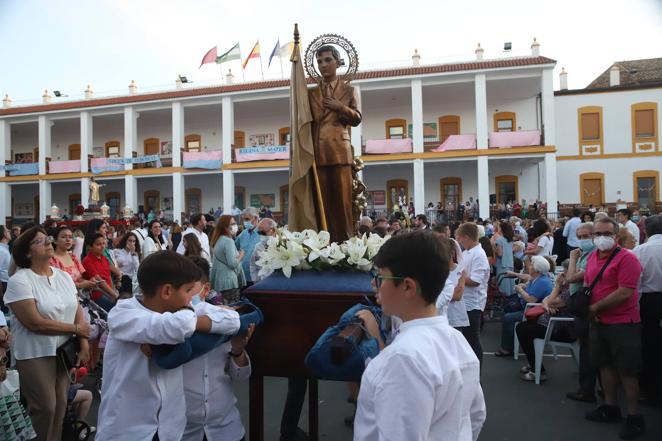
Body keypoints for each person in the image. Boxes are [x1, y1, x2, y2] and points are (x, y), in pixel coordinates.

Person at [353, 230, 486, 441]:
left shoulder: (402, 359)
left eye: (380, 278)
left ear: (407, 286)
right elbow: (475, 417)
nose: (374, 285)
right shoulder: (457, 341)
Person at [95, 251, 240, 441]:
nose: (192, 299)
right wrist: (192, 318)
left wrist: (191, 321)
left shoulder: (178, 311)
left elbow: (233, 320)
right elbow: (178, 326)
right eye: (188, 291)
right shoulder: (123, 314)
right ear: (166, 292)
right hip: (128, 431)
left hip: (169, 431)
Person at [4, 226, 91, 441]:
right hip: (35, 353)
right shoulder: (20, 280)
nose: (47, 243)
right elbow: (35, 323)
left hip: (62, 351)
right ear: (26, 252)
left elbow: (76, 309)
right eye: (39, 241)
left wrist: (84, 343)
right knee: (45, 407)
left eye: (47, 239)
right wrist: (76, 329)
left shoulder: (62, 276)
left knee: (61, 406)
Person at [584, 217, 645, 439]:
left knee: (627, 370)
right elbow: (588, 283)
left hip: (622, 322)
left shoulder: (627, 259)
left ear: (616, 236)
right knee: (605, 365)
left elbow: (625, 291)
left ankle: (634, 416)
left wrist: (596, 306)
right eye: (597, 233)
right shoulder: (592, 257)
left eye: (606, 234)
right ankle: (611, 407)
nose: (601, 238)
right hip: (599, 322)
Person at [181, 256, 254, 441]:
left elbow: (241, 376)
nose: (184, 295)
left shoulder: (227, 322)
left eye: (190, 289)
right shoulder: (166, 327)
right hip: (183, 431)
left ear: (206, 289)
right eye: (179, 288)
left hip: (226, 428)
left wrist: (238, 351)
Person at [304, 44, 362, 243]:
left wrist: (340, 107)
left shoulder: (349, 90)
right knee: (323, 202)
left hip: (340, 150)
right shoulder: (310, 93)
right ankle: (325, 242)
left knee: (343, 202)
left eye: (328, 60)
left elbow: (356, 118)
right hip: (318, 152)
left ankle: (346, 242)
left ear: (337, 62)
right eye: (319, 62)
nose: (323, 65)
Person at [515, 260, 576, 381]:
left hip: (559, 328)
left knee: (523, 330)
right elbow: (546, 300)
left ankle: (538, 371)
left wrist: (556, 288)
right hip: (548, 323)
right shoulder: (565, 287)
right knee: (522, 327)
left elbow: (550, 301)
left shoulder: (571, 290)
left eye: (565, 272)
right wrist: (547, 303)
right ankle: (533, 363)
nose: (562, 274)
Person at [564, 222, 600, 403]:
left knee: (588, 350)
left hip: (586, 305)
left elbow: (571, 278)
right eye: (580, 237)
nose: (582, 240)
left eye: (586, 236)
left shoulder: (590, 256)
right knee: (587, 347)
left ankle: (587, 390)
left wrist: (572, 259)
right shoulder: (585, 254)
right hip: (579, 304)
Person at [495, 256, 553, 357]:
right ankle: (512, 340)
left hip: (532, 311)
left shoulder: (542, 282)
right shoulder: (538, 278)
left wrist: (519, 289)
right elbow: (527, 281)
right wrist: (522, 286)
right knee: (506, 308)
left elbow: (531, 299)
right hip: (526, 306)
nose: (529, 266)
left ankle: (507, 348)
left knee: (508, 317)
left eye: (531, 265)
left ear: (537, 269)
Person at [633, 215, 662, 407]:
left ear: (646, 231)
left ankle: (651, 390)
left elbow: (636, 284)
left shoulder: (640, 251)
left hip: (650, 302)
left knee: (650, 346)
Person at [455, 222, 490, 367]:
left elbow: (476, 281)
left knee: (472, 340)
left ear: (467, 237)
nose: (459, 241)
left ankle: (477, 375)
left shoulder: (479, 255)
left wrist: (458, 278)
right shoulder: (467, 252)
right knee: (465, 340)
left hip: (473, 303)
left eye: (460, 238)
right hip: (465, 301)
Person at [49, 226, 98, 292]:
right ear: (55, 241)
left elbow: (79, 279)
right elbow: (55, 284)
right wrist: (79, 285)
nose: (68, 239)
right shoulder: (51, 260)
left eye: (70, 237)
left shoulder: (73, 257)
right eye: (63, 237)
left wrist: (89, 282)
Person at [210, 215, 246, 305]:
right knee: (232, 309)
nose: (235, 226)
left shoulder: (219, 239)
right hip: (229, 282)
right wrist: (241, 255)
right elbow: (232, 264)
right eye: (233, 223)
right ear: (225, 227)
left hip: (221, 281)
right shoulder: (228, 241)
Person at [436, 237, 470, 330]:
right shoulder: (436, 271)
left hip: (455, 315)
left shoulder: (461, 270)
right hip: (439, 316)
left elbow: (458, 296)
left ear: (452, 253)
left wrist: (442, 294)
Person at [82, 234, 119, 311]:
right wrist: (115, 296)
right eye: (98, 244)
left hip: (109, 292)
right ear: (90, 247)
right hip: (98, 294)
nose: (102, 246)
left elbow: (108, 276)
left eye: (103, 243)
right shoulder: (87, 261)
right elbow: (100, 282)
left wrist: (114, 292)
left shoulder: (104, 258)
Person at [235, 207, 261, 285]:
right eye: (243, 219)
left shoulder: (263, 233)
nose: (245, 222)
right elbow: (234, 248)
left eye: (247, 219)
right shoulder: (243, 234)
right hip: (242, 277)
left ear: (256, 218)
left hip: (257, 277)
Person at [111, 232, 141, 297]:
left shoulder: (135, 254)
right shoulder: (117, 251)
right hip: (119, 278)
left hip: (130, 280)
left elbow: (137, 268)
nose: (132, 243)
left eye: (134, 241)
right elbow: (112, 264)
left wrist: (133, 253)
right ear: (125, 241)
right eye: (130, 240)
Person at [250, 218, 278, 283]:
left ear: (273, 230)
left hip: (278, 282)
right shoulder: (258, 246)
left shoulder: (283, 243)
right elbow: (253, 264)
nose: (261, 235)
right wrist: (255, 279)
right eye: (259, 232)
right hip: (262, 282)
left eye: (263, 232)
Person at [492, 221, 515, 296]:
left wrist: (493, 247)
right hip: (510, 262)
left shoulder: (499, 240)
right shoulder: (510, 239)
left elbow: (500, 254)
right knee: (510, 282)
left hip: (502, 264)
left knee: (503, 284)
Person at [0, 225, 11, 295]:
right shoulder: (1, 250)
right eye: (7, 230)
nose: (9, 231)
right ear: (4, 234)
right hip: (4, 284)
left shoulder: (4, 249)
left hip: (7, 283)